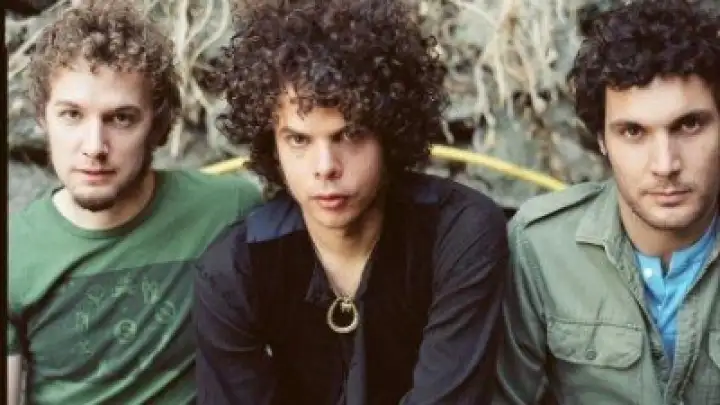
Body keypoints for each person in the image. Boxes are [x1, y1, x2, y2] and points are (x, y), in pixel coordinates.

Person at [192, 0, 509, 404]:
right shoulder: (234, 271)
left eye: (350, 134)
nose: (325, 167)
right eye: (299, 140)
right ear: (272, 146)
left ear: (389, 135)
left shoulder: (458, 232)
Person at [7, 2, 262, 404]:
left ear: (158, 126)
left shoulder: (231, 210)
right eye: (72, 115)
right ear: (43, 119)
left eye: (121, 118)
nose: (94, 146)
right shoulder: (15, 253)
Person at [493, 0, 720, 404]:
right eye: (633, 132)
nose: (665, 165)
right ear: (601, 140)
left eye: (689, 125)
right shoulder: (540, 247)